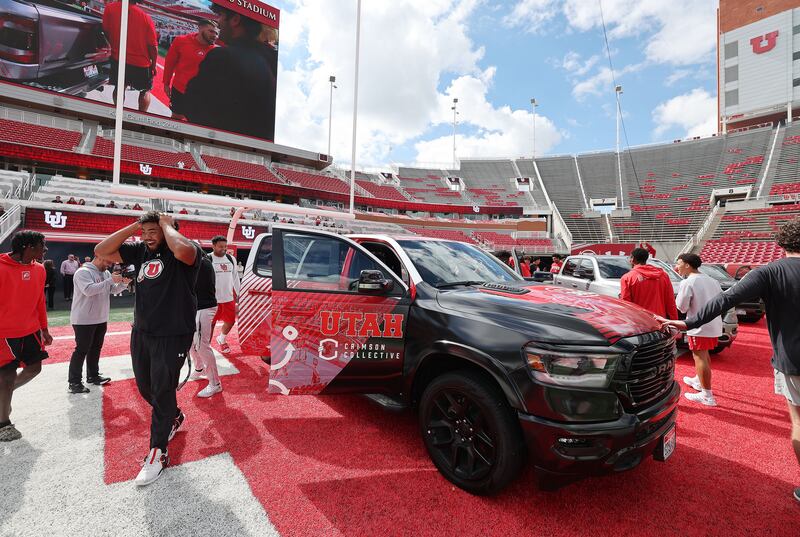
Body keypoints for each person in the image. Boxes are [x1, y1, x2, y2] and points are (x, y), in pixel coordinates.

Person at [661, 218, 800, 503]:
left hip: (793, 359)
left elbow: (726, 300)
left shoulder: (771, 271)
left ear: (782, 244)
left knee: (799, 420)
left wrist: (688, 323)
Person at [95, 211, 202, 486]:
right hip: (142, 331)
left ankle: (158, 453)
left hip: (173, 333)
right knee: (146, 388)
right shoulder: (140, 250)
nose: (147, 237)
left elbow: (183, 250)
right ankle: (174, 416)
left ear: (168, 229)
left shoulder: (186, 249)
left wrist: (165, 225)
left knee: (163, 390)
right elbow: (101, 250)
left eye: (152, 231)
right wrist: (135, 226)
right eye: (145, 232)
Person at [183, 4, 276, 140]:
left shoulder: (222, 56)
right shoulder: (273, 59)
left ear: (235, 20)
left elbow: (193, 106)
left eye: (221, 15)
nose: (218, 22)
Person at [0, 231, 53, 441]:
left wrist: (45, 329)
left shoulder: (39, 270)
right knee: (6, 376)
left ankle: (3, 396)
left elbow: (40, 300)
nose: (45, 250)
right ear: (28, 247)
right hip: (4, 333)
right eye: (42, 245)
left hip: (30, 331)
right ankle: (3, 423)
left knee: (34, 368)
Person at [68, 256, 130, 394]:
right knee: (82, 349)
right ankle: (74, 382)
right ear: (99, 257)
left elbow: (112, 290)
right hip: (83, 319)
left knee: (96, 348)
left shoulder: (106, 273)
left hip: (101, 317)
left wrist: (124, 284)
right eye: (108, 261)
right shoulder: (82, 272)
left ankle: (93, 375)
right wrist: (109, 280)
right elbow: (88, 290)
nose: (109, 265)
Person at [673, 253, 723, 407]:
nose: (677, 266)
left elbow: (681, 306)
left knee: (699, 356)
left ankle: (707, 395)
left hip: (699, 326)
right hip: (713, 324)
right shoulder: (713, 280)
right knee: (704, 354)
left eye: (679, 263)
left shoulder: (688, 282)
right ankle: (698, 380)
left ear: (687, 265)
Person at [102, 0, 158, 112]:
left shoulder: (110, 8)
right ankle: (140, 118)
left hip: (118, 58)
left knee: (119, 88)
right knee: (145, 91)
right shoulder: (145, 17)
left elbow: (106, 31)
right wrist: (154, 65)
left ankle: (118, 113)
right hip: (141, 63)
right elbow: (152, 46)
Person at [162, 20, 219, 120]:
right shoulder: (181, 41)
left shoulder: (216, 51)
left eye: (216, 33)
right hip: (179, 90)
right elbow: (170, 63)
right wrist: (166, 83)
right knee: (176, 118)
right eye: (211, 31)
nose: (214, 35)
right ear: (200, 28)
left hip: (201, 94)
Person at [189, 254, 221, 397]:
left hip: (203, 308)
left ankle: (215, 383)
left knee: (202, 345)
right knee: (190, 342)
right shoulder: (202, 262)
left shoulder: (201, 263)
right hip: (196, 307)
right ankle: (199, 368)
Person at [620, 247, 678, 319]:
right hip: (660, 320)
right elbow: (670, 301)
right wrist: (674, 321)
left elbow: (626, 304)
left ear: (633, 259)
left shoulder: (628, 278)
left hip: (639, 321)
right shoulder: (663, 276)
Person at [209, 236, 240, 354]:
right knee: (210, 325)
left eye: (225, 246)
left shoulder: (231, 259)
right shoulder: (207, 259)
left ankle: (221, 339)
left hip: (228, 298)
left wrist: (239, 294)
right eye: (221, 246)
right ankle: (206, 346)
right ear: (213, 246)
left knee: (231, 321)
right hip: (212, 300)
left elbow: (235, 277)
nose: (224, 249)